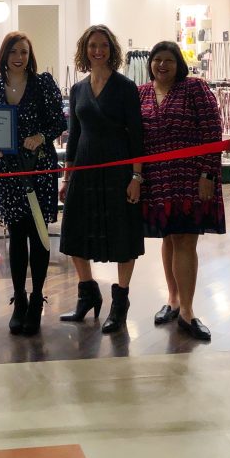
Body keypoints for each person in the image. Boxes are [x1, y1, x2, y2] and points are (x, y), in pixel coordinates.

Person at [0, 32, 67, 335]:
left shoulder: (43, 84)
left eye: (24, 52)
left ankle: (37, 298)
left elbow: (59, 121)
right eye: (13, 51)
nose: (19, 58)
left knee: (39, 232)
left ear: (30, 56)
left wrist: (41, 136)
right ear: (4, 55)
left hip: (39, 167)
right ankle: (19, 299)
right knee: (16, 233)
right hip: (7, 170)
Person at [59, 24, 145, 333]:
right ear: (85, 50)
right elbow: (74, 137)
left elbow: (137, 136)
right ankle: (88, 294)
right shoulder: (78, 89)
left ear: (112, 50)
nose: (98, 51)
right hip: (84, 167)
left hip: (118, 168)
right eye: (93, 45)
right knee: (74, 232)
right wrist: (67, 178)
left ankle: (120, 303)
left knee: (122, 233)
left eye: (104, 45)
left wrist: (136, 176)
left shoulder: (125, 87)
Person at [138, 41, 225, 342]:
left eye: (169, 60)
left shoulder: (194, 88)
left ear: (179, 64)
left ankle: (187, 311)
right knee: (168, 238)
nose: (162, 65)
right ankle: (173, 300)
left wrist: (207, 173)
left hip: (191, 178)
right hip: (157, 179)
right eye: (157, 60)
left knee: (185, 240)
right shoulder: (141, 93)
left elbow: (212, 132)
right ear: (150, 63)